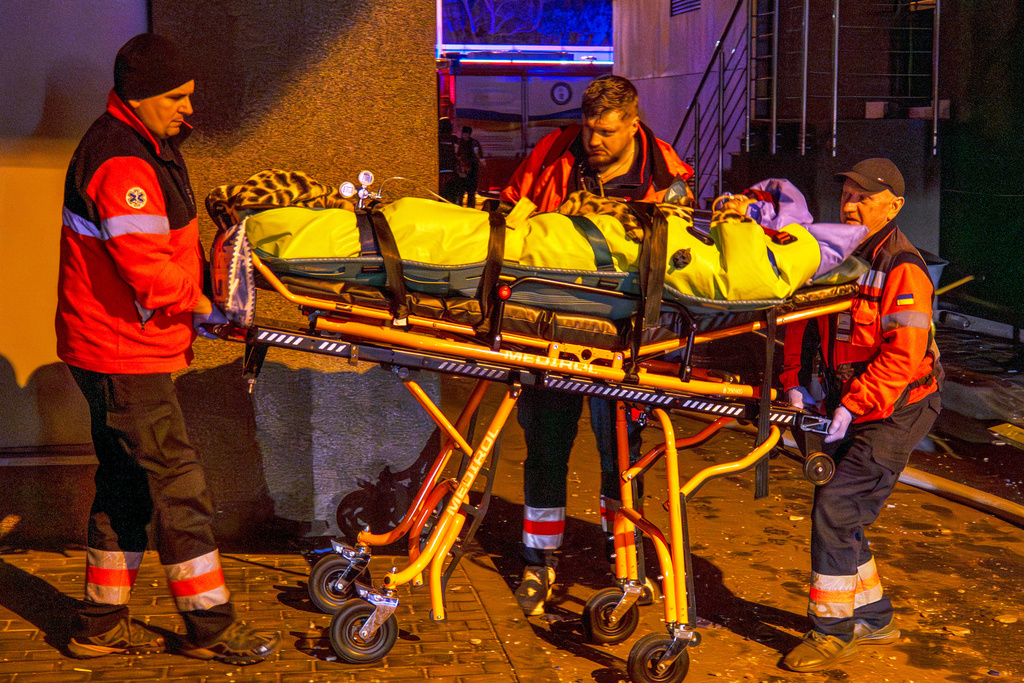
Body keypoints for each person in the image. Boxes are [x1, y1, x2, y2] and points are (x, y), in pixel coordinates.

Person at [55, 33, 280, 665]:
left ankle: (97, 626)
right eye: (177, 97)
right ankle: (210, 626)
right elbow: (147, 271)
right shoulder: (124, 163)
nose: (189, 109)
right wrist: (212, 308)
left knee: (126, 482)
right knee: (177, 485)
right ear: (142, 94)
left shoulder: (140, 145)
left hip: (110, 344)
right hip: (124, 351)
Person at [499, 74, 694, 615]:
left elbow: (676, 263)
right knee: (545, 448)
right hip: (548, 331)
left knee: (622, 461)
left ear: (634, 123)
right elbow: (514, 213)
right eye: (588, 130)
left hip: (625, 342)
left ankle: (625, 565)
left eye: (607, 132)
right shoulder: (553, 154)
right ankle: (539, 563)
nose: (595, 142)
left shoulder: (667, 178)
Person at [779, 159, 942, 672]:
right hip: (852, 405)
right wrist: (793, 381)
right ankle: (872, 615)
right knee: (844, 512)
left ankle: (831, 632)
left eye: (863, 196)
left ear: (894, 206)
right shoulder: (837, 254)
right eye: (847, 193)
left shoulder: (903, 268)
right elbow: (803, 322)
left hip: (897, 410)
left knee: (836, 510)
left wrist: (853, 403)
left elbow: (903, 356)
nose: (849, 204)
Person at [455, 125, 484, 208]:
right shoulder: (459, 142)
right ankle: (459, 208)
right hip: (461, 170)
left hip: (472, 170)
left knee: (471, 192)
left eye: (467, 133)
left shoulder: (474, 143)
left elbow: (478, 155)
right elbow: (456, 154)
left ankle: (471, 209)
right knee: (460, 192)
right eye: (464, 133)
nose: (465, 135)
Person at [438, 117, 461, 204]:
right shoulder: (454, 139)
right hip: (452, 170)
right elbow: (458, 154)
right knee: (451, 194)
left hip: (440, 169)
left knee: (441, 194)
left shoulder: (437, 138)